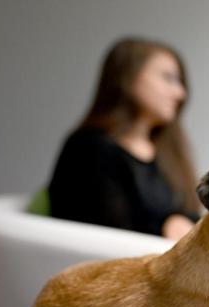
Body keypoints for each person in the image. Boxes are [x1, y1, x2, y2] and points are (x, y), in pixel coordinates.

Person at [47, 37, 201, 240]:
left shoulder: (168, 153)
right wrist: (165, 226)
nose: (181, 93)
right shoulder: (87, 148)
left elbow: (189, 214)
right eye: (168, 78)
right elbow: (102, 231)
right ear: (129, 76)